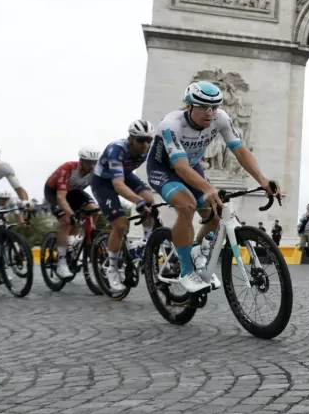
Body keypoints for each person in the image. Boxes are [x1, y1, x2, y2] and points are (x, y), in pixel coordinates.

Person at [146, 81, 281, 294]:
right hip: (165, 169)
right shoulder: (171, 124)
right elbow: (179, 166)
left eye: (214, 107)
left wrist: (262, 180)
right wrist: (208, 187)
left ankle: (196, 250)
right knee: (187, 205)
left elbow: (240, 150)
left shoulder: (221, 118)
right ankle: (186, 270)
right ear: (189, 106)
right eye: (203, 107)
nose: (209, 113)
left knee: (216, 215)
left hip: (192, 166)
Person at [90, 121, 157, 292]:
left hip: (125, 175)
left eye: (148, 140)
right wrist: (137, 201)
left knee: (150, 200)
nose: (145, 144)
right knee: (120, 223)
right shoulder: (117, 149)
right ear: (131, 139)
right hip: (103, 182)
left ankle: (147, 241)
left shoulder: (149, 148)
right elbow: (118, 185)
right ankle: (111, 269)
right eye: (141, 140)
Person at [44, 148, 101, 279]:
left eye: (94, 163)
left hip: (74, 191)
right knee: (66, 220)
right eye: (89, 163)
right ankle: (61, 263)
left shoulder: (95, 172)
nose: (92, 166)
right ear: (81, 161)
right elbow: (61, 198)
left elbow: (100, 190)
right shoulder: (68, 168)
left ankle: (78, 239)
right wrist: (70, 214)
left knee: (94, 209)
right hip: (55, 192)